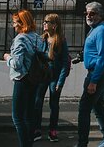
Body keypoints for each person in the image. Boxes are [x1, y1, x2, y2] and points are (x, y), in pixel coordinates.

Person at [75, 1, 104, 147]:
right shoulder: (94, 29)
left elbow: (103, 58)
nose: (88, 16)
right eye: (86, 13)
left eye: (92, 13)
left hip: (97, 74)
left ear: (99, 15)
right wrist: (82, 57)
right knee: (98, 106)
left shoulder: (101, 31)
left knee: (84, 109)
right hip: (98, 72)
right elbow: (93, 51)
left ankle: (82, 144)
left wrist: (93, 81)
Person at [3, 9, 44, 147]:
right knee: (29, 116)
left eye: (15, 23)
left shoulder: (20, 38)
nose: (13, 26)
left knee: (17, 117)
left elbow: (17, 63)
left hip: (22, 80)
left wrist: (7, 57)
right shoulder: (37, 37)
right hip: (35, 79)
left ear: (22, 23)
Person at [33, 13, 70, 142]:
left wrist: (61, 82)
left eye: (47, 22)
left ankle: (52, 131)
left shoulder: (60, 41)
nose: (44, 23)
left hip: (54, 77)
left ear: (54, 25)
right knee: (37, 103)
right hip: (42, 77)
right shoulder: (41, 39)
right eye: (44, 21)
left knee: (54, 105)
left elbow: (65, 63)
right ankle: (36, 130)